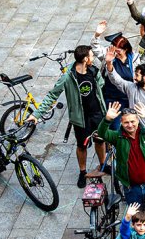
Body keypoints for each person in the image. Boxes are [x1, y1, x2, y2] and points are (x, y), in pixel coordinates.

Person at [33, 41, 107, 189]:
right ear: (85, 59)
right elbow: (52, 96)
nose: (93, 58)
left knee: (100, 141)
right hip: (80, 118)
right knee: (82, 146)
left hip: (97, 113)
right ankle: (82, 172)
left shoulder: (94, 71)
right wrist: (37, 114)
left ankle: (103, 165)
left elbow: (101, 83)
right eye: (91, 56)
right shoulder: (68, 77)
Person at [103, 58, 145, 202]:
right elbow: (117, 80)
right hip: (133, 134)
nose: (134, 77)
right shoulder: (132, 88)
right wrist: (109, 64)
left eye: (137, 74)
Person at [97, 102, 145, 223]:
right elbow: (102, 133)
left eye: (132, 121)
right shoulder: (117, 137)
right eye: (126, 122)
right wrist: (107, 119)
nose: (130, 125)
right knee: (136, 218)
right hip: (131, 188)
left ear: (137, 120)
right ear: (121, 123)